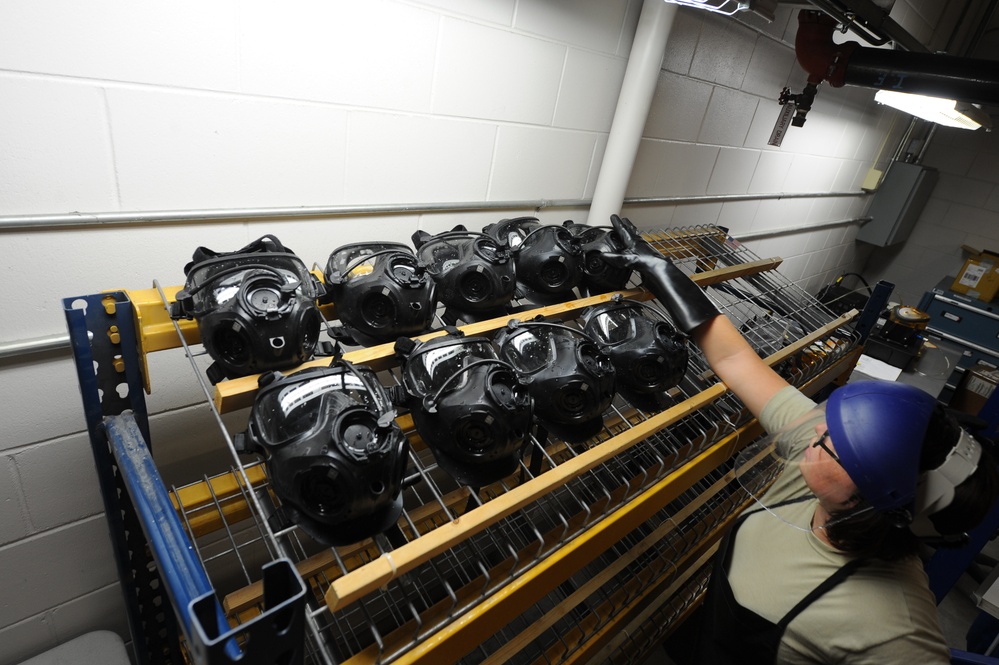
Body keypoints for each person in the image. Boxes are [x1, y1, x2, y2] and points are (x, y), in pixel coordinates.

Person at [602, 215, 999, 665]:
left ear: (875, 501)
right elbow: (735, 359)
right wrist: (660, 270)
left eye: (834, 443)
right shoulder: (815, 471)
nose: (814, 432)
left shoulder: (893, 632)